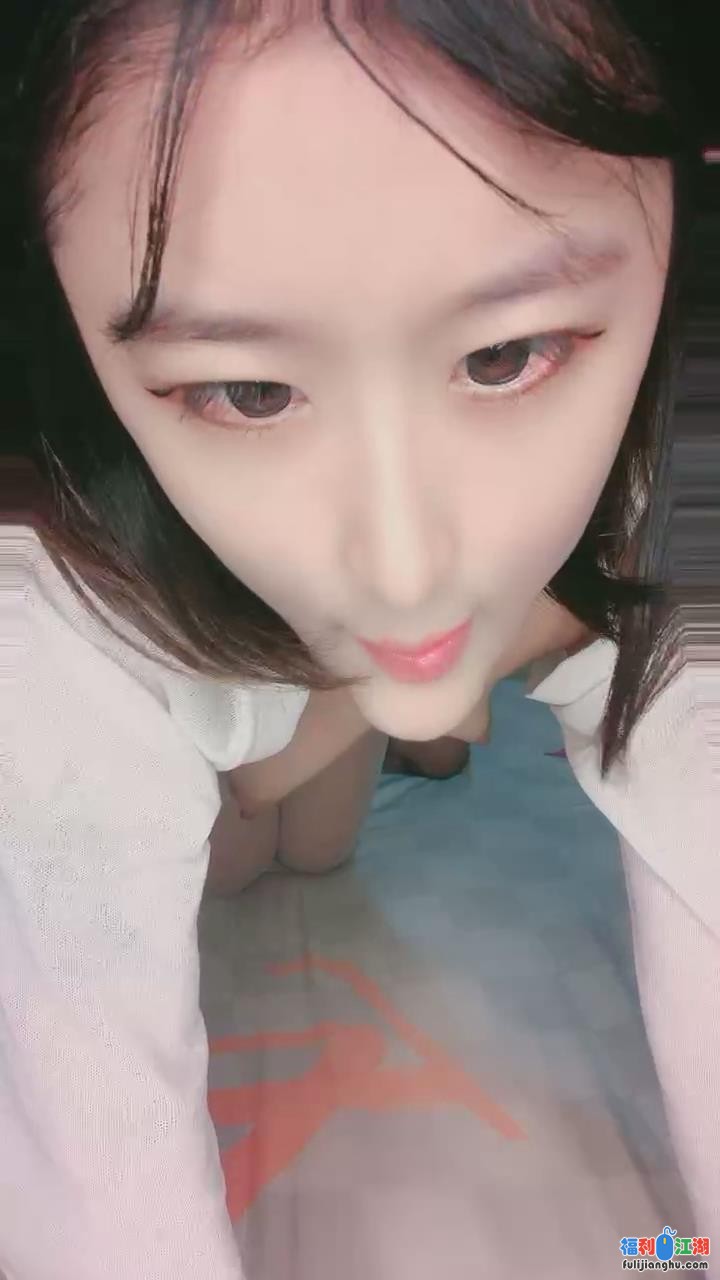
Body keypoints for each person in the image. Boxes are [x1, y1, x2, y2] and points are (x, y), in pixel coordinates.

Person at [1, 0, 718, 1275]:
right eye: (248, 389)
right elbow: (87, 1155)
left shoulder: (685, 475)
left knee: (325, 834)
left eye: (506, 356)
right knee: (257, 838)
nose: (402, 563)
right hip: (220, 688)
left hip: (319, 689)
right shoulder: (40, 594)